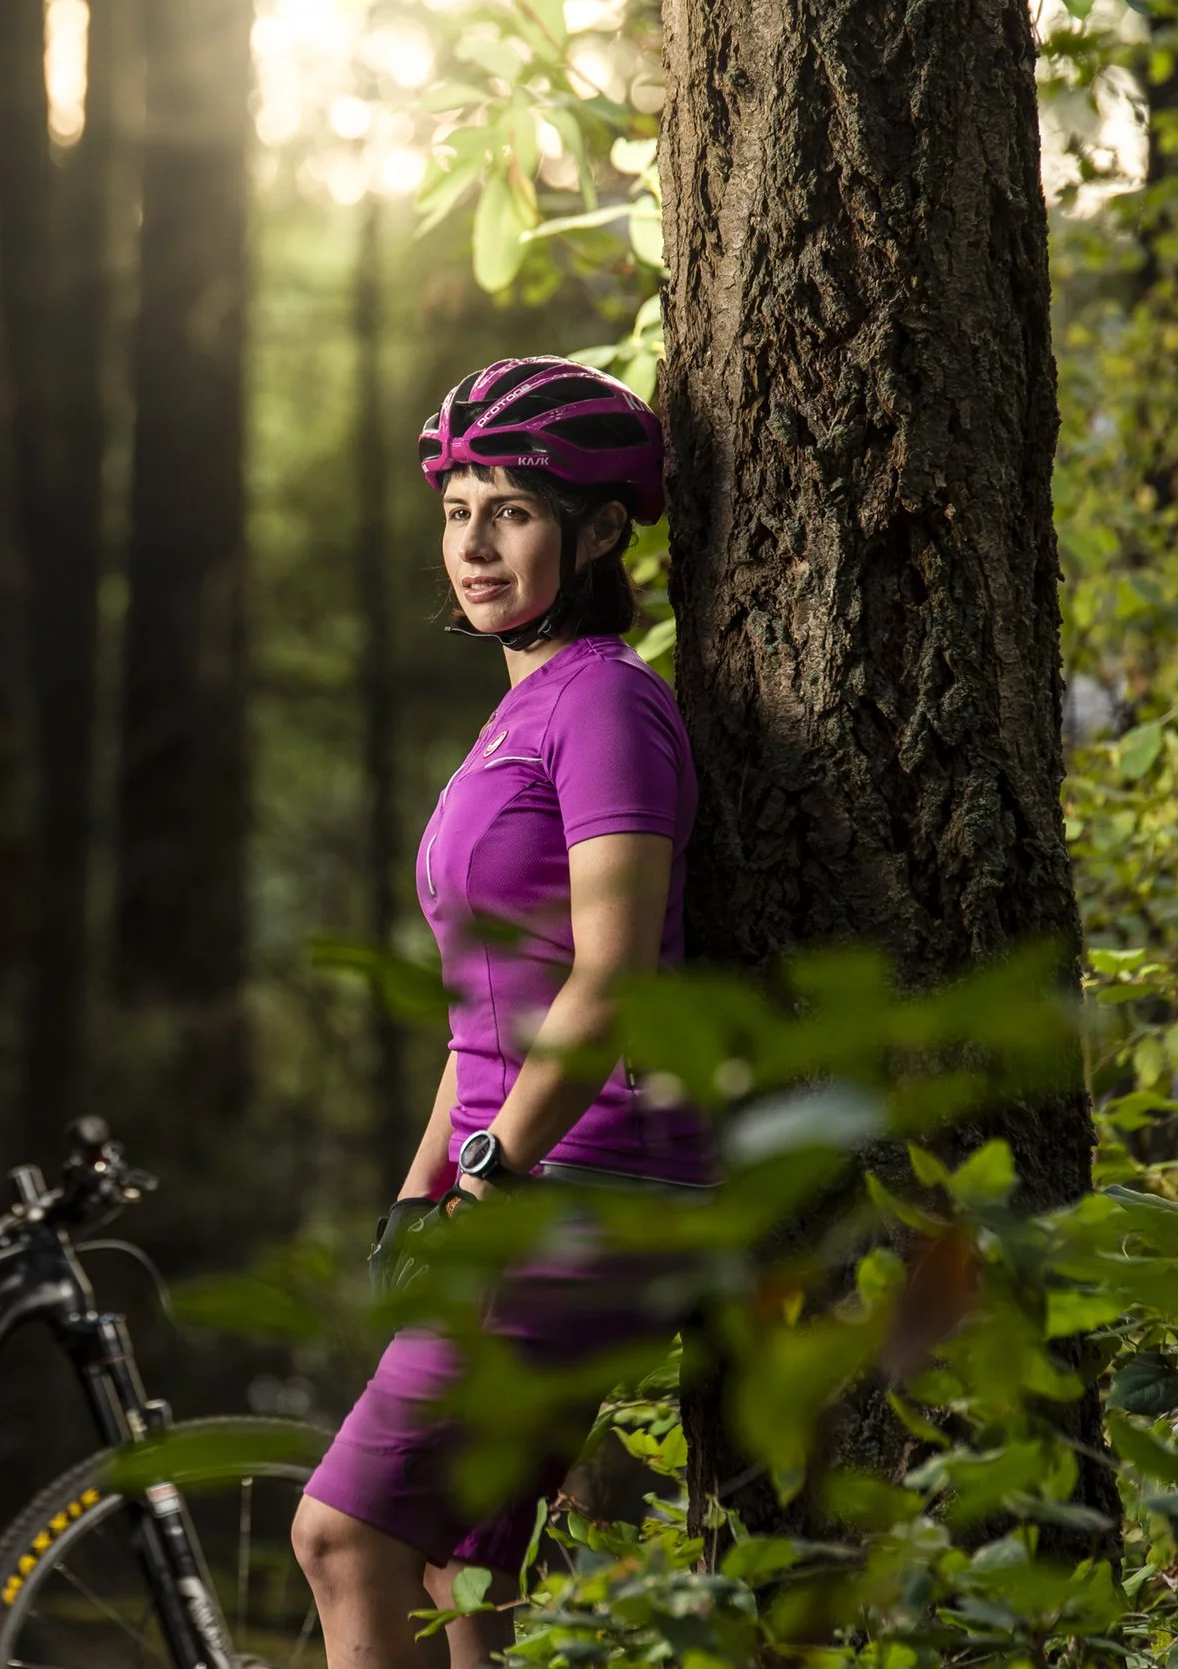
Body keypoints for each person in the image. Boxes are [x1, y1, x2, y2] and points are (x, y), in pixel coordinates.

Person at [290, 357, 718, 1667]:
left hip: (584, 1185)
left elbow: (608, 979)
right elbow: (486, 1012)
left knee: (343, 1537)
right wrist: (426, 1190)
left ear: (595, 532)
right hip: (517, 1175)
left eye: (512, 512)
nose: (471, 545)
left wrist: (493, 1176)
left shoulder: (605, 706)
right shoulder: (522, 713)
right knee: (457, 1583)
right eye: (456, 508)